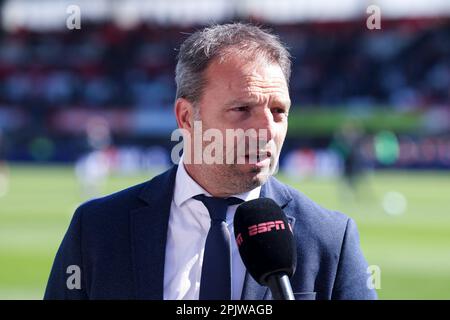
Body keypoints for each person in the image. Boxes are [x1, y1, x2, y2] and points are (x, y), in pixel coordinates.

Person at [44, 23, 377, 300]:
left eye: (278, 111)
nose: (266, 130)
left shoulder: (330, 238)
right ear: (187, 117)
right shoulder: (97, 229)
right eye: (242, 109)